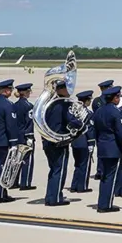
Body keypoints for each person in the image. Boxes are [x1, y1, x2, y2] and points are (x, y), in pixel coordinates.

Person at [39, 77, 78, 206]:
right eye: (67, 88)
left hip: (48, 141)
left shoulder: (49, 103)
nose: (70, 90)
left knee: (54, 169)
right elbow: (71, 120)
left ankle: (51, 195)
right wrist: (80, 121)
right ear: (61, 89)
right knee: (59, 170)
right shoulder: (63, 104)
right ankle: (55, 198)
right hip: (58, 141)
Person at [92, 85, 122, 213]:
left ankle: (102, 202)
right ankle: (106, 205)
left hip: (102, 147)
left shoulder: (99, 111)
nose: (119, 99)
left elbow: (95, 130)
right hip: (112, 148)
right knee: (110, 177)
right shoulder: (115, 112)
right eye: (118, 97)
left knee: (104, 177)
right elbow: (121, 132)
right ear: (114, 98)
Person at [11, 83, 37, 190]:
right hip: (25, 136)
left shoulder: (13, 105)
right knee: (27, 160)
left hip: (16, 136)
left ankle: (14, 181)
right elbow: (29, 123)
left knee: (16, 160)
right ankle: (25, 183)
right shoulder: (29, 106)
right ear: (26, 92)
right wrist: (30, 136)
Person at [68, 91, 94, 194]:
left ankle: (74, 185)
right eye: (89, 100)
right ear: (86, 101)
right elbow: (90, 129)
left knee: (77, 165)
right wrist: (91, 143)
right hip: (84, 141)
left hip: (75, 141)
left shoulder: (73, 112)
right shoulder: (88, 113)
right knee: (84, 165)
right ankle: (82, 186)